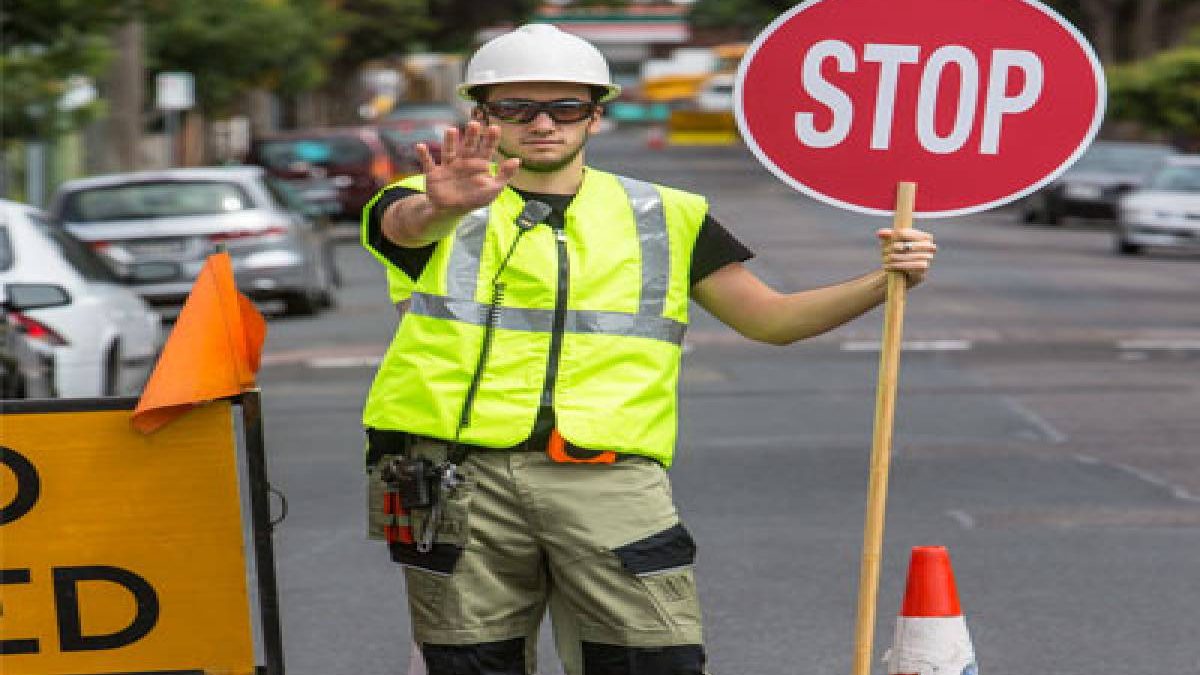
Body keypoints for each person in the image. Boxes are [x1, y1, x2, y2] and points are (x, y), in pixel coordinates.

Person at [360, 23, 937, 675]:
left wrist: (887, 281)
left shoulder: (667, 213)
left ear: (596, 116)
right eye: (516, 107)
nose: (542, 123)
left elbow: (773, 320)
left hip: (607, 474)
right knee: (466, 662)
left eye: (566, 107)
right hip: (448, 475)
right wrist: (441, 209)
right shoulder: (424, 198)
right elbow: (404, 228)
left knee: (654, 658)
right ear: (481, 115)